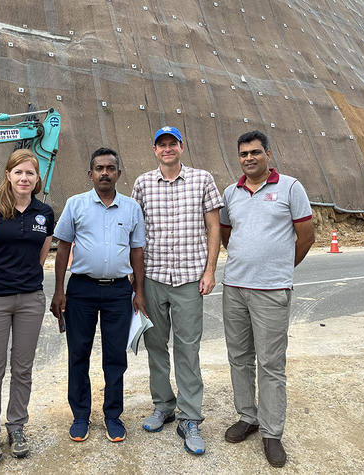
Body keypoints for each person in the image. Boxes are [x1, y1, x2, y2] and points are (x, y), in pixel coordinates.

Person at [220, 130, 315, 468]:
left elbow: (306, 236)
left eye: (255, 152)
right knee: (239, 357)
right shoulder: (231, 192)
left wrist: (279, 269)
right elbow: (228, 234)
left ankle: (272, 433)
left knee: (271, 363)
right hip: (234, 288)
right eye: (244, 153)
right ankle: (248, 417)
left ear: (268, 154)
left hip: (272, 291)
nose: (249, 158)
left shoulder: (291, 188)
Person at [131, 126, 223, 456]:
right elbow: (135, 232)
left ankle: (190, 417)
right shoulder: (142, 184)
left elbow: (213, 227)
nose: (167, 149)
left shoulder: (203, 180)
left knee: (188, 349)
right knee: (156, 346)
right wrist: (136, 280)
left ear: (182, 147)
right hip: (153, 278)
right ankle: (164, 406)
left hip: (189, 279)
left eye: (173, 144)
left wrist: (210, 270)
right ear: (155, 150)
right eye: (161, 145)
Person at [50, 147, 146, 444]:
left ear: (119, 173)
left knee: (115, 357)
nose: (105, 172)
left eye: (111, 168)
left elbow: (137, 251)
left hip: (119, 291)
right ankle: (80, 416)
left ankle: (113, 416)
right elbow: (63, 247)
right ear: (90, 174)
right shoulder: (75, 204)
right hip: (81, 290)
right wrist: (59, 289)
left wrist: (138, 292)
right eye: (99, 168)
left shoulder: (131, 208)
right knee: (78, 353)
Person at [0, 149, 54, 464]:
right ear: (8, 174)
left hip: (30, 299)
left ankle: (16, 426)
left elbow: (41, 255)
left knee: (23, 368)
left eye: (30, 173)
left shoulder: (44, 212)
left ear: (36, 178)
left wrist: (23, 279)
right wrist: (1, 277)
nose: (24, 178)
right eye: (18, 172)